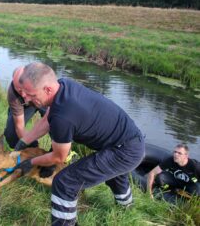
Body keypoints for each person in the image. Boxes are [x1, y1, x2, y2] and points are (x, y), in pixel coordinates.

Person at [14, 62, 145, 226]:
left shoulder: (63, 117)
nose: (25, 98)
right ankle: (127, 209)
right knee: (114, 175)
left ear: (47, 89)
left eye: (31, 95)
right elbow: (47, 118)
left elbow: (58, 157)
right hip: (126, 139)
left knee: (65, 182)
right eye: (24, 93)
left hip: (126, 150)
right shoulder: (63, 85)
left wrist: (30, 162)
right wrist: (23, 141)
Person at [4, 66, 46, 149]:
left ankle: (61, 153)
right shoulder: (13, 94)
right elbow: (19, 127)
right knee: (11, 135)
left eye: (24, 89)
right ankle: (32, 149)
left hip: (43, 99)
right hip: (26, 106)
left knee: (56, 122)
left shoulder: (44, 84)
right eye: (19, 90)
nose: (23, 95)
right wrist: (27, 146)